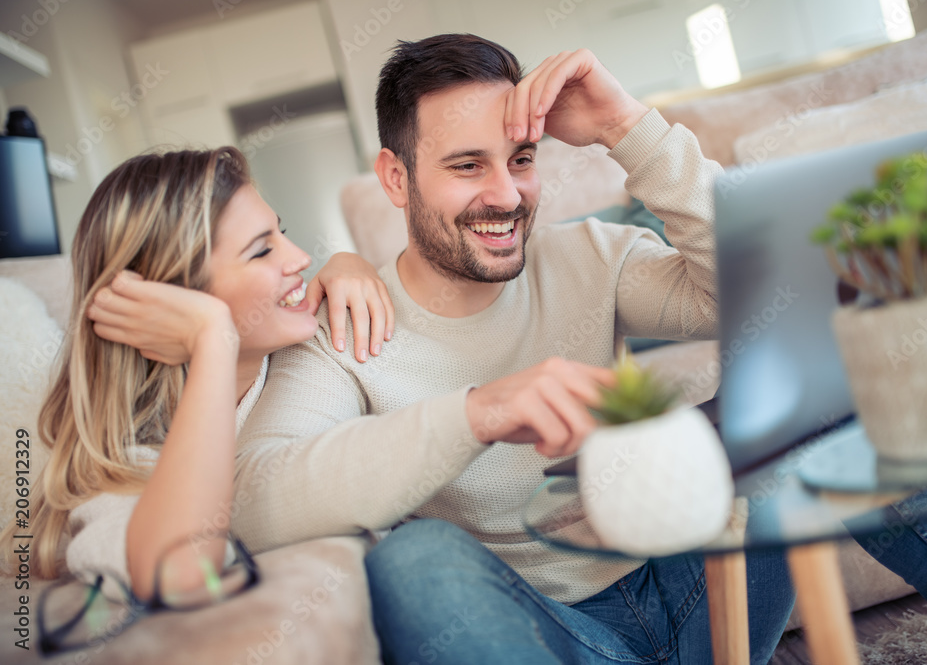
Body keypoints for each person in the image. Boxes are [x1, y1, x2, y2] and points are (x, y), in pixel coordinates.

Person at [234, 34, 794, 664]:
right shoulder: (345, 326)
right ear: (396, 177)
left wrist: (624, 125)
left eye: (521, 159)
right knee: (413, 560)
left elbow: (770, 292)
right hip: (547, 635)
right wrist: (480, 412)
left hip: (700, 582)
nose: (506, 195)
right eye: (467, 166)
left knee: (805, 401)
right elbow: (253, 501)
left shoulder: (588, 255)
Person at [0, 147, 393, 602]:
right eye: (262, 250)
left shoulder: (319, 348)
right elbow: (181, 573)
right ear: (174, 298)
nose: (301, 257)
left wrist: (354, 263)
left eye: (280, 233)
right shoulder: (126, 463)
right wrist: (212, 339)